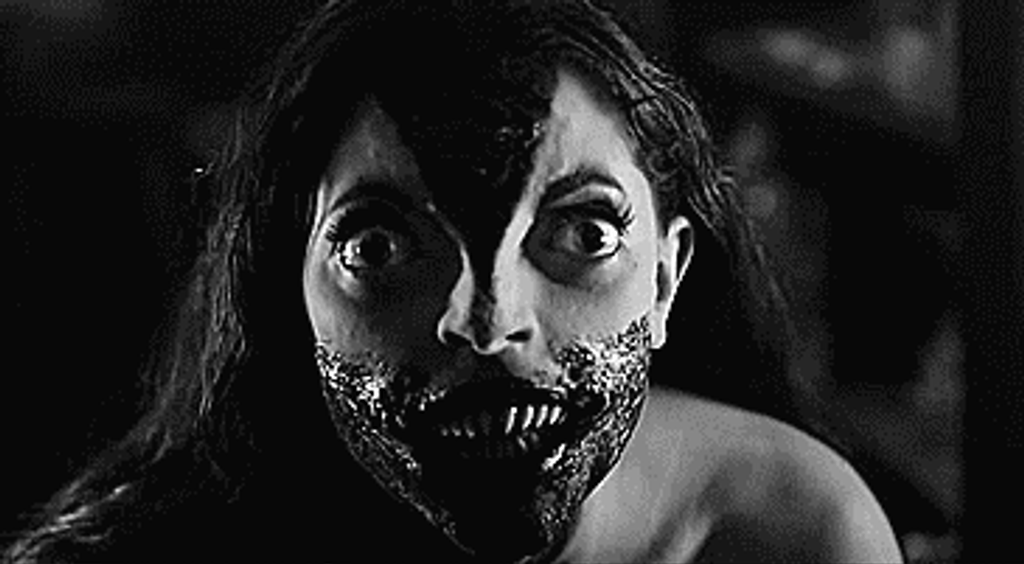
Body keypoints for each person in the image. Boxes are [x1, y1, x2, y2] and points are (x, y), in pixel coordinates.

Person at [4, 0, 903, 562]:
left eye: (583, 234)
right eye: (380, 248)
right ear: (289, 286)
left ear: (665, 282)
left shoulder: (788, 534)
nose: (486, 320)